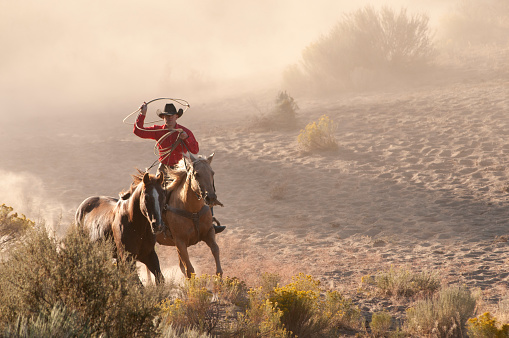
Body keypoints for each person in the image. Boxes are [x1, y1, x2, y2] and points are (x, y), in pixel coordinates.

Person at [134, 102, 225, 234]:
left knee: (204, 185)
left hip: (182, 169)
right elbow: (138, 131)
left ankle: (210, 222)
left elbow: (195, 149)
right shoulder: (158, 130)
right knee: (159, 194)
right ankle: (162, 224)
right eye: (166, 116)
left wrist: (186, 138)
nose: (169, 118)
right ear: (163, 117)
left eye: (172, 116)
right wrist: (142, 114)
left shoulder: (185, 131)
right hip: (165, 169)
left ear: (177, 117)